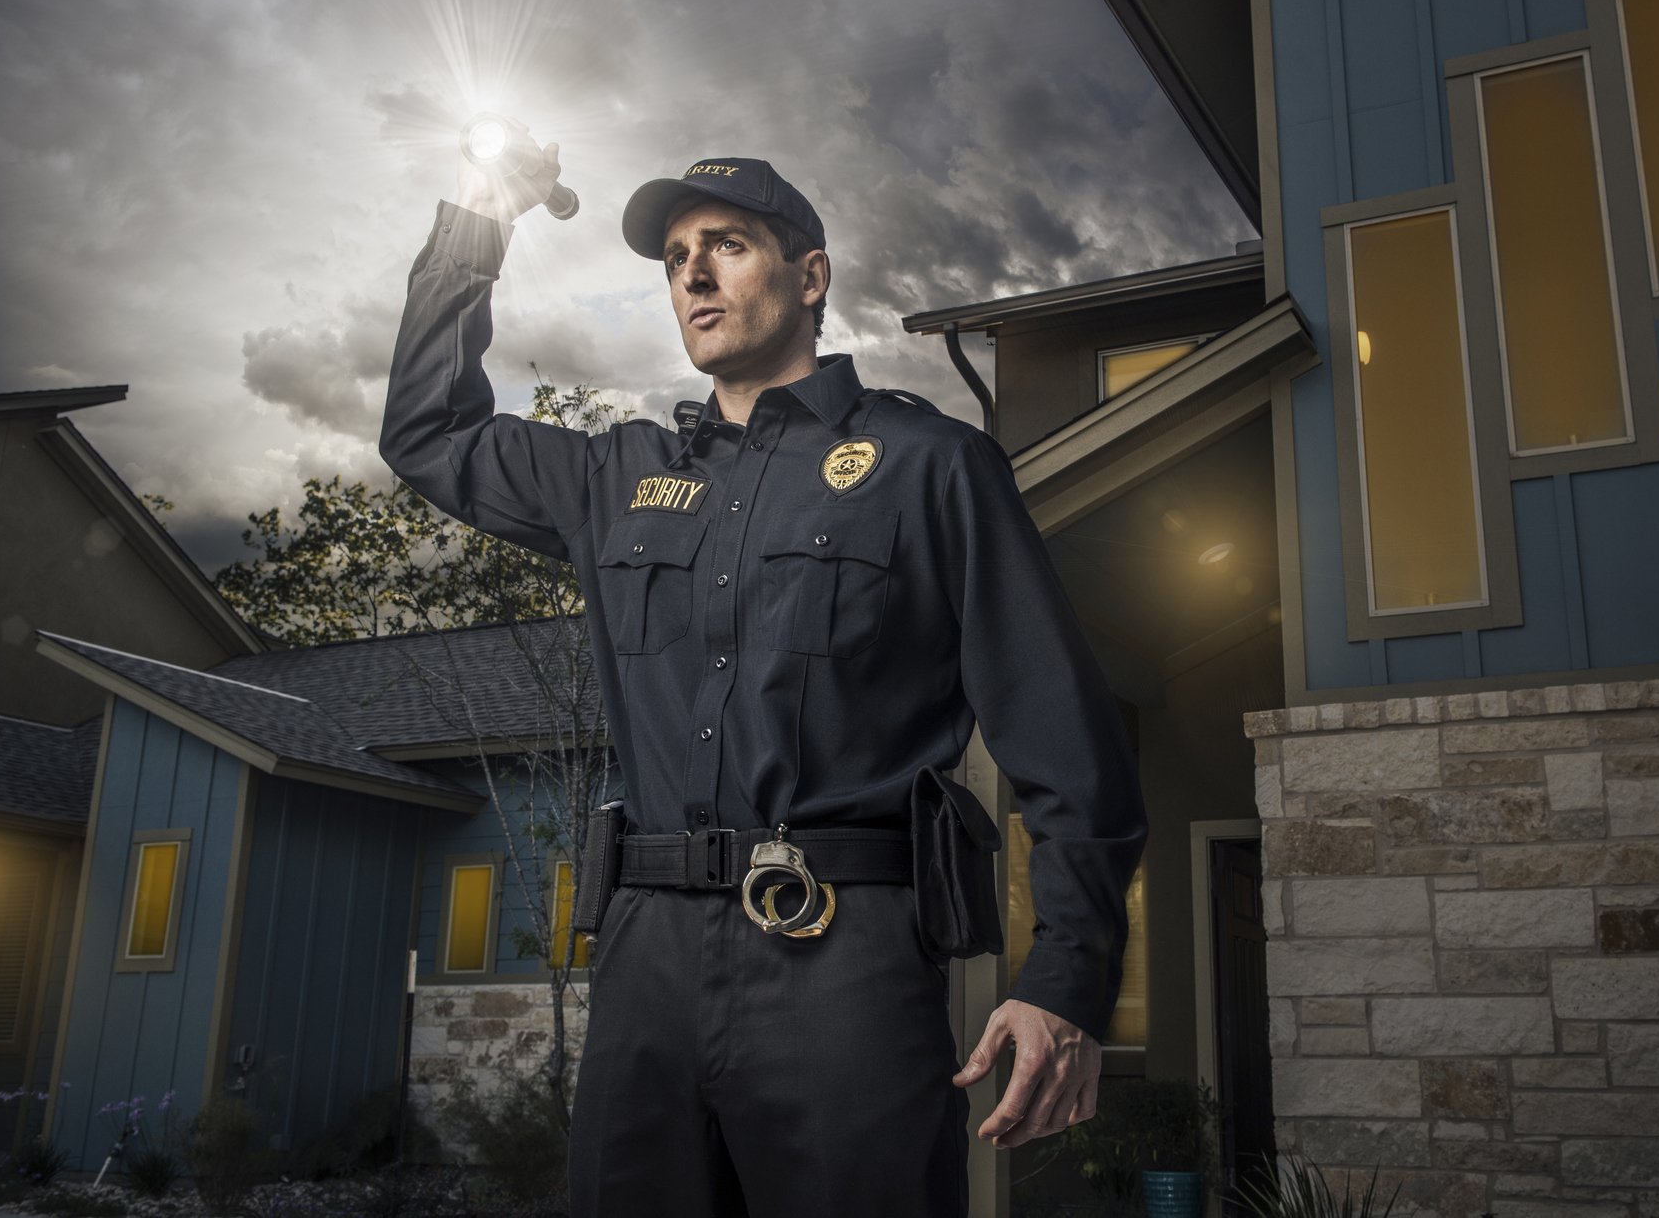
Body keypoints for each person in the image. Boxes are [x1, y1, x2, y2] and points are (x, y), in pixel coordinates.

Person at [379, 132, 1146, 1216]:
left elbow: (1064, 741)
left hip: (843, 956)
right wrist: (475, 222)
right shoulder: (615, 476)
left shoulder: (927, 466)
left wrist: (1063, 980)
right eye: (676, 255)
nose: (692, 271)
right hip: (643, 956)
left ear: (809, 275)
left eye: (727, 244)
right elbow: (425, 431)